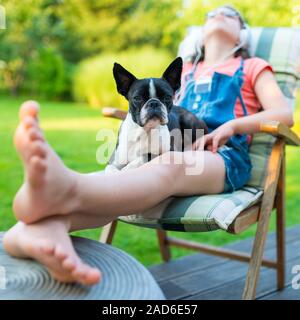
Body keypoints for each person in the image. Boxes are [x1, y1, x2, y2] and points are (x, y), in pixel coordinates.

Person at [3, 5, 293, 285]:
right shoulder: (187, 69)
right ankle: (35, 230)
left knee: (170, 164)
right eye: (212, 14)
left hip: (223, 154)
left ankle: (67, 186)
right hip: (172, 145)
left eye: (230, 14)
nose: (220, 14)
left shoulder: (252, 66)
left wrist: (232, 126)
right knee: (126, 176)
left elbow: (284, 114)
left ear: (242, 33)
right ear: (201, 33)